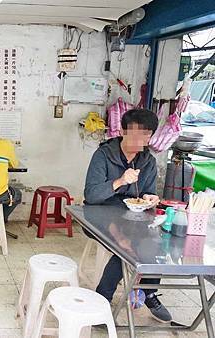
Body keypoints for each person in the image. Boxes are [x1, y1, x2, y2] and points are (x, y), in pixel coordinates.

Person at [84, 108, 171, 323]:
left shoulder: (147, 161)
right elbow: (92, 195)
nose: (140, 139)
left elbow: (146, 194)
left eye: (146, 134)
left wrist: (151, 198)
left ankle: (148, 292)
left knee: (157, 242)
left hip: (131, 217)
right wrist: (121, 181)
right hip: (98, 214)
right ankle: (103, 298)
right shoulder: (103, 155)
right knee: (126, 247)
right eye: (135, 133)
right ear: (123, 131)